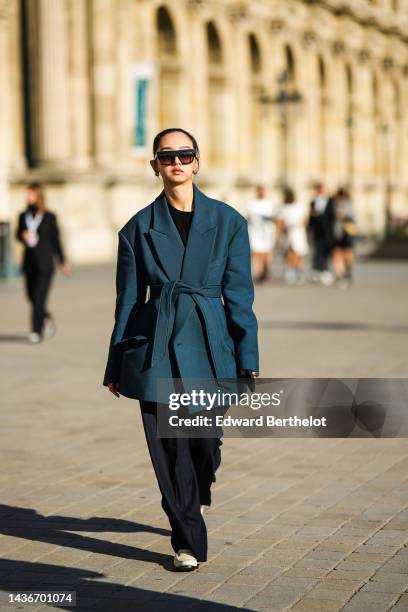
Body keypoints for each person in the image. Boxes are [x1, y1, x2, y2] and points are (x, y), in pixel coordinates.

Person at [103, 128, 259, 571]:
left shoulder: (229, 222)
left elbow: (240, 296)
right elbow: (128, 302)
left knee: (203, 445)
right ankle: (187, 539)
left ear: (197, 162)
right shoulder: (137, 229)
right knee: (170, 449)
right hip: (156, 348)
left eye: (184, 154)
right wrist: (116, 362)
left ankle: (199, 490)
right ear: (155, 165)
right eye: (167, 155)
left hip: (212, 347)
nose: (177, 162)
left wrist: (248, 359)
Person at [15, 182, 71, 343]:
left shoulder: (49, 217)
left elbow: (56, 241)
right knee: (31, 297)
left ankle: (36, 331)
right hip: (29, 263)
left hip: (45, 264)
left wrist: (63, 261)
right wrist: (22, 236)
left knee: (39, 299)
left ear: (38, 195)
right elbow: (17, 235)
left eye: (30, 193)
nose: (27, 197)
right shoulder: (23, 215)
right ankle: (45, 317)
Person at [276, 187, 309, 285]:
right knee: (289, 253)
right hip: (288, 233)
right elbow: (280, 222)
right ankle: (291, 271)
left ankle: (298, 271)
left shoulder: (299, 206)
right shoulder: (283, 207)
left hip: (298, 232)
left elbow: (304, 220)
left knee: (298, 253)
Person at [246, 185, 278, 284]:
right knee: (256, 253)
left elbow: (276, 218)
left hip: (267, 233)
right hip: (255, 233)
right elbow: (249, 217)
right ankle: (257, 273)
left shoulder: (270, 203)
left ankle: (265, 273)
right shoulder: (252, 203)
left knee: (266, 255)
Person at [329, 187, 356, 288]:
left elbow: (353, 218)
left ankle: (347, 271)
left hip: (346, 233)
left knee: (347, 253)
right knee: (337, 253)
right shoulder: (335, 205)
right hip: (337, 233)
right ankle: (340, 274)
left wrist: (343, 215)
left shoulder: (348, 205)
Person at [307, 182, 333, 285]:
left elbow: (332, 217)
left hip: (327, 231)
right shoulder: (314, 201)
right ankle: (317, 270)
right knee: (317, 251)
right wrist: (309, 230)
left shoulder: (330, 201)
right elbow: (311, 218)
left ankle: (325, 270)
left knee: (326, 251)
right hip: (317, 230)